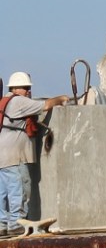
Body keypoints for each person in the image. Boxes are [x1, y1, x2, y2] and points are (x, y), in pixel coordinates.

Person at [1, 72, 69, 237]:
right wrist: (61, 99)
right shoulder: (18, 101)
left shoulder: (4, 101)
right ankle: (17, 223)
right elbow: (45, 105)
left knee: (3, 192)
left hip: (3, 156)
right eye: (27, 88)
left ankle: (2, 224)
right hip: (15, 156)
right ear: (17, 89)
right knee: (20, 188)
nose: (28, 92)